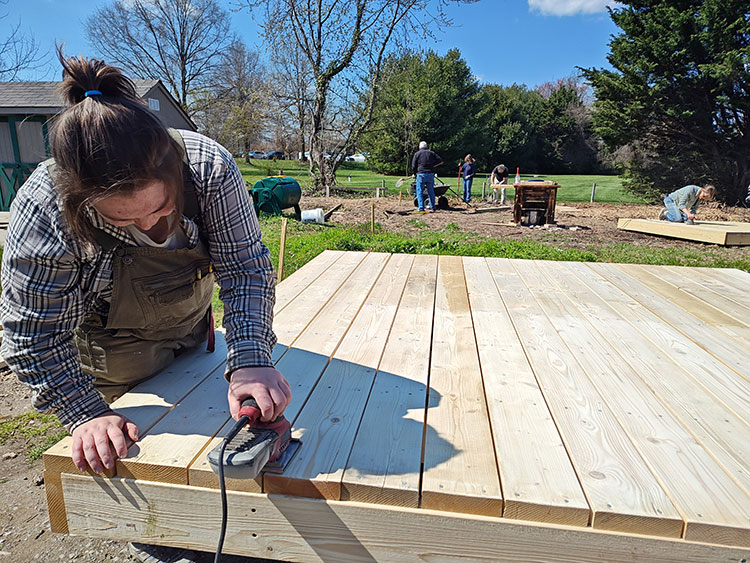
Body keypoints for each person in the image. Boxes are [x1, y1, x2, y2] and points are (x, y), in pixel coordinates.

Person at [0, 53, 291, 562]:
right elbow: (31, 336)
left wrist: (249, 357)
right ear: (81, 202)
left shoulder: (209, 168)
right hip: (112, 361)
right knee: (156, 490)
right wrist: (85, 414)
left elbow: (245, 269)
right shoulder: (44, 206)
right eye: (124, 220)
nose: (151, 230)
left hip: (192, 338)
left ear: (173, 171)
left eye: (161, 210)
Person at [411, 141, 443, 212]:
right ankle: (433, 207)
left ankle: (421, 208)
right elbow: (440, 161)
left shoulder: (417, 154)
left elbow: (413, 166)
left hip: (421, 174)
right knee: (431, 191)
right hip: (430, 174)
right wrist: (433, 166)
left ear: (419, 147)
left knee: (419, 192)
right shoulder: (431, 153)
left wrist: (414, 173)